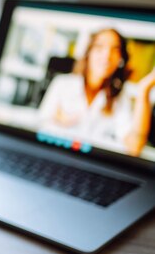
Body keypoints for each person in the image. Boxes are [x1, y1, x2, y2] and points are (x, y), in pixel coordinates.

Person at [39, 28, 155, 157]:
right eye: (99, 47)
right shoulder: (62, 84)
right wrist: (58, 121)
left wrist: (144, 89)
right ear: (89, 52)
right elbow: (40, 126)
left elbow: (134, 147)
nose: (106, 55)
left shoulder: (119, 97)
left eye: (115, 49)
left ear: (120, 60)